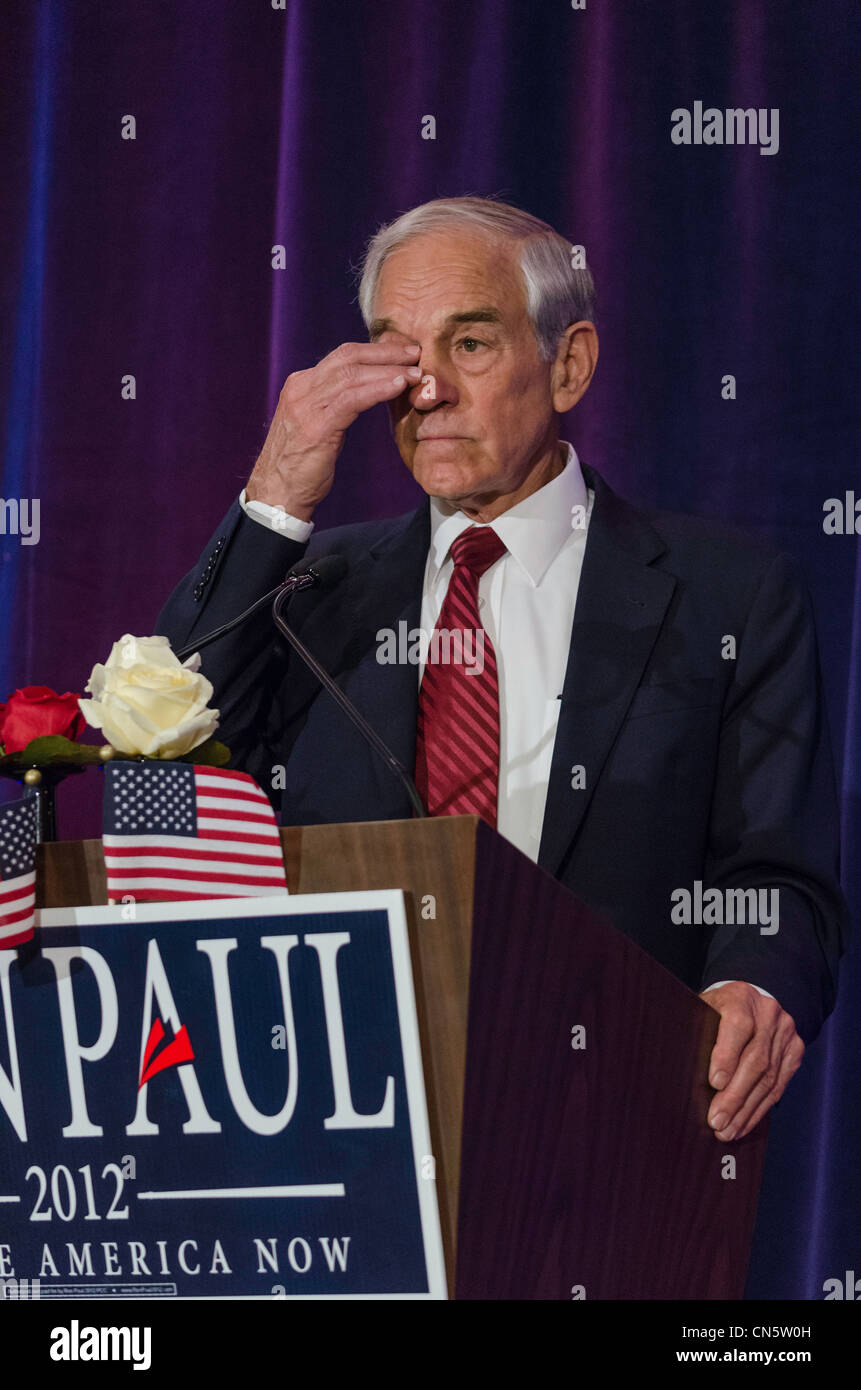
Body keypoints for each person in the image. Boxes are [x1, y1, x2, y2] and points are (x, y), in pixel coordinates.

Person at [157, 196, 848, 1148]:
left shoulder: (728, 595)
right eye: (396, 353)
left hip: (611, 1129)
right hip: (341, 1127)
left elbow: (776, 876)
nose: (424, 391)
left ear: (568, 365)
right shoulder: (308, 592)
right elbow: (163, 749)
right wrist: (273, 495)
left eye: (469, 345)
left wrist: (754, 984)